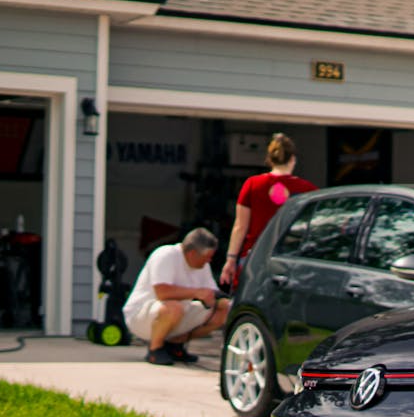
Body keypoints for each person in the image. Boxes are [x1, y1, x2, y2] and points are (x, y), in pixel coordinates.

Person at [220, 133, 316, 287]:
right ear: (293, 159)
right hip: (289, 260)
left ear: (269, 159)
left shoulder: (252, 184)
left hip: (254, 256)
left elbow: (240, 226)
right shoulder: (307, 190)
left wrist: (231, 259)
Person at [123, 228, 231, 366]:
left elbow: (212, 293)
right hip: (140, 315)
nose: (209, 260)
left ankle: (175, 346)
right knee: (174, 307)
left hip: (176, 312)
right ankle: (155, 350)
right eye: (207, 256)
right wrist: (197, 293)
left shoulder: (203, 266)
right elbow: (162, 293)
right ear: (192, 253)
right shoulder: (165, 255)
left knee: (222, 311)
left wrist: (226, 303)